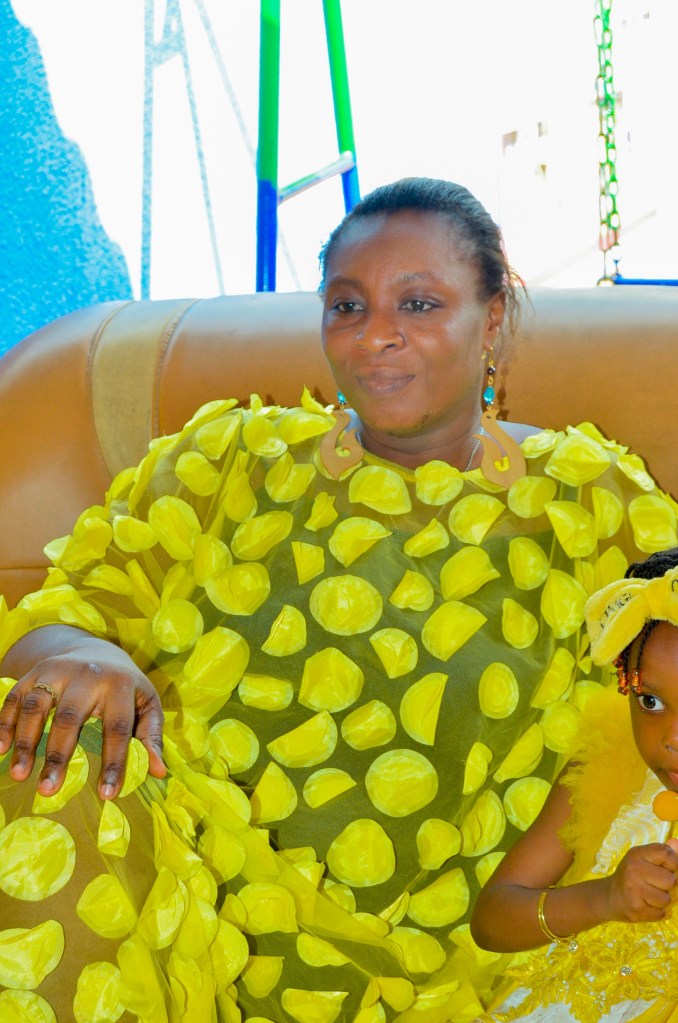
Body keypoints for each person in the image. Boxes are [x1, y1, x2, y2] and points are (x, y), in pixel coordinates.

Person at [0, 176, 675, 1023]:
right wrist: (81, 653)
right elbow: (60, 612)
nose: (375, 335)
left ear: (493, 318)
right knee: (52, 752)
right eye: (347, 306)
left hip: (458, 964)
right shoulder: (227, 461)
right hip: (172, 901)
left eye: (418, 304)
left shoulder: (587, 501)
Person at [470, 547, 678, 1023]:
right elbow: (491, 919)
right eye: (650, 701)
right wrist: (603, 898)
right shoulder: (607, 767)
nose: (672, 738)